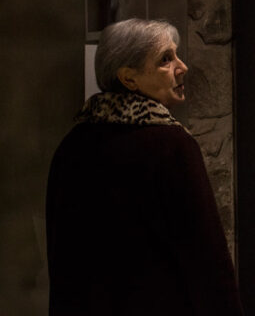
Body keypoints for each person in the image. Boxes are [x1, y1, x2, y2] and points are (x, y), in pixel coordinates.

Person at [46, 18, 243, 315]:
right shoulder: (172, 147)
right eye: (166, 59)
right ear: (129, 79)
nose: (182, 67)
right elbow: (208, 263)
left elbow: (61, 265)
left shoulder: (72, 144)